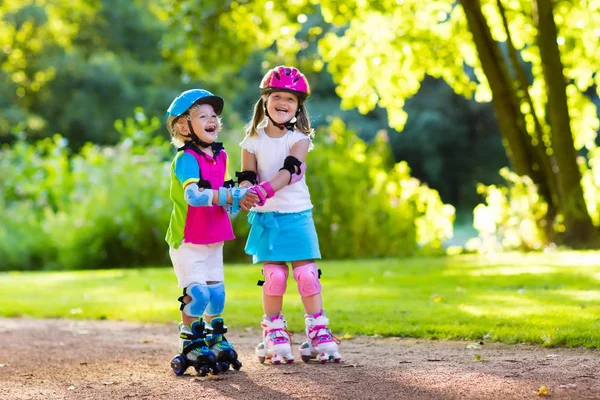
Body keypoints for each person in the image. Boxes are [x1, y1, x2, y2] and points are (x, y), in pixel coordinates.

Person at [237, 65, 342, 364]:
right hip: (267, 218)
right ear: (265, 100)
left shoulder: (299, 139)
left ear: (298, 107)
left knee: (307, 275)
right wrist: (246, 191)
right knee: (274, 276)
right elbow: (247, 174)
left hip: (297, 215)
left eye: (291, 99)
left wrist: (263, 190)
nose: (283, 103)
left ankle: (318, 331)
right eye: (278, 96)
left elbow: (289, 171)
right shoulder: (251, 141)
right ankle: (274, 331)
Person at [165, 89, 246, 374]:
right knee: (197, 294)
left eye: (214, 115)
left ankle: (215, 338)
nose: (212, 119)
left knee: (217, 295)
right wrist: (227, 195)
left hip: (214, 237)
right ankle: (189, 342)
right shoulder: (186, 159)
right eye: (203, 116)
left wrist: (241, 197)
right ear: (184, 126)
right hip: (188, 239)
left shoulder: (220, 155)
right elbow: (195, 197)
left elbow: (223, 196)